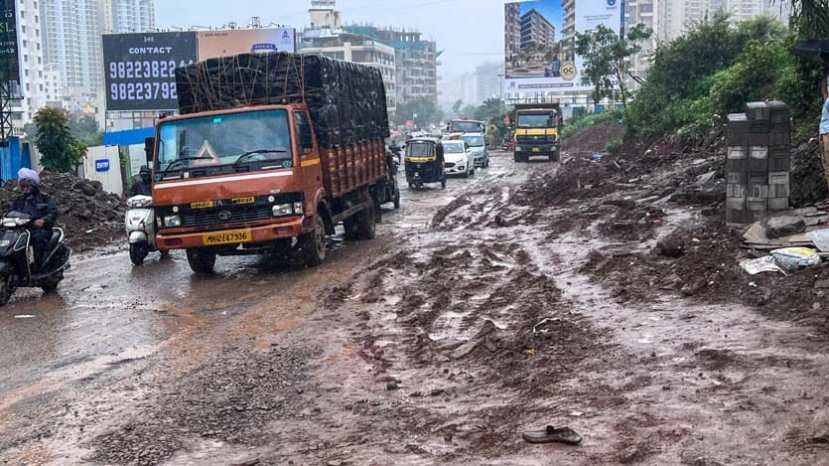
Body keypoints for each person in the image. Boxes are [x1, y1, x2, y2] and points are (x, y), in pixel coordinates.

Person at [10, 168, 57, 271]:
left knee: (39, 239)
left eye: (28, 186)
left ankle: (40, 268)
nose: (25, 188)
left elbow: (53, 212)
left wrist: (44, 220)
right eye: (23, 186)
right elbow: (10, 213)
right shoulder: (18, 200)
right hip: (21, 231)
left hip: (38, 230)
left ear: (34, 185)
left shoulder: (44, 198)